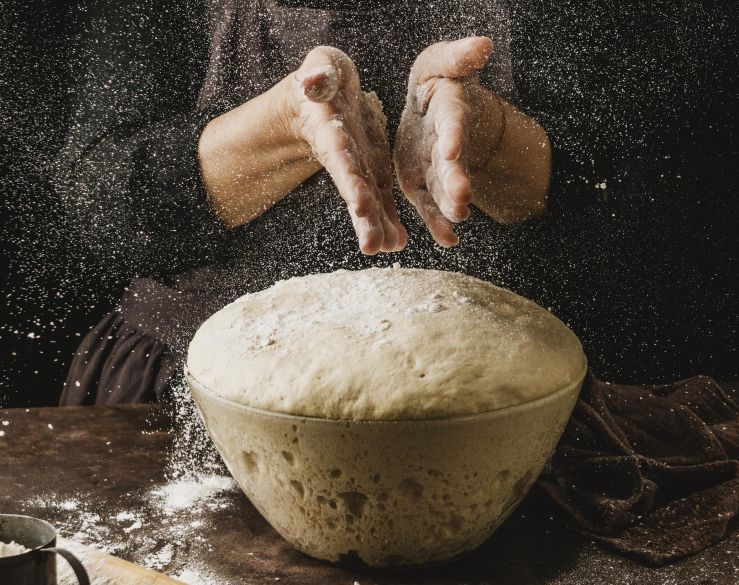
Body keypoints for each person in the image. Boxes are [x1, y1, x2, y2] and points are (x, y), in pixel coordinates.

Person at [54, 0, 551, 405]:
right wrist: (285, 124)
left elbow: (607, 200)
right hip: (186, 385)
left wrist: (481, 137)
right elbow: (99, 203)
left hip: (488, 389)